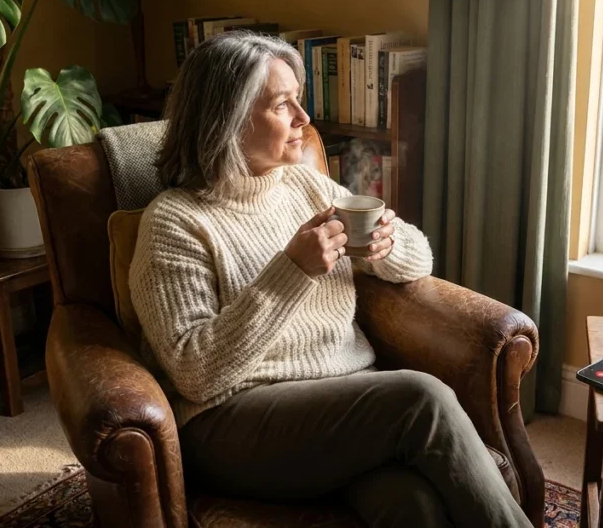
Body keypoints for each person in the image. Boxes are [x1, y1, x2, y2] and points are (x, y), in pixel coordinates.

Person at [129, 32, 530, 528]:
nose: (304, 119)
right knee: (420, 398)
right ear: (227, 120)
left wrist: (387, 246)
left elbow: (419, 258)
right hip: (231, 422)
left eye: (300, 99)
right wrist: (292, 272)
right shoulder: (174, 221)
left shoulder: (304, 184)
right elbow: (197, 373)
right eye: (283, 105)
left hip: (340, 408)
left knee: (413, 506)